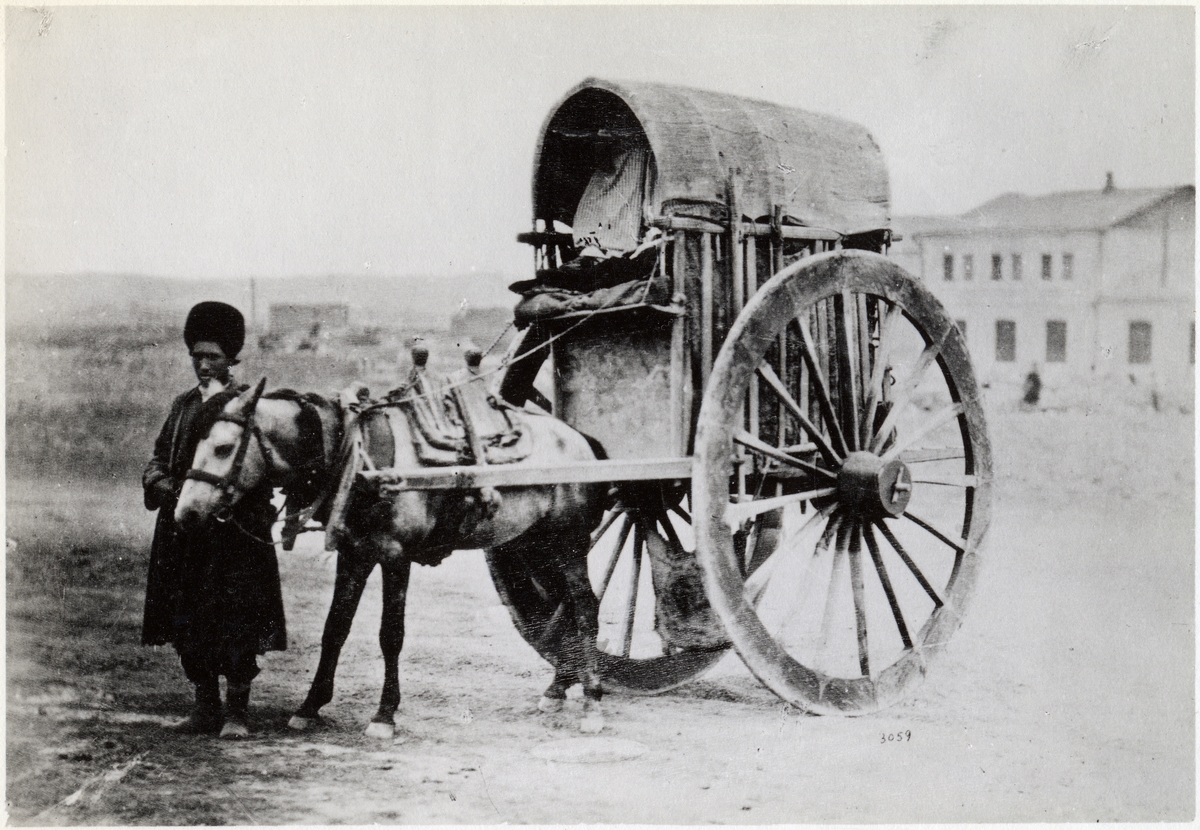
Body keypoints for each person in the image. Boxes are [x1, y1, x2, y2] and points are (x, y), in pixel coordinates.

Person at [142, 301, 287, 739]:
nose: (204, 365)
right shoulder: (183, 405)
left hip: (232, 535)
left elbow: (260, 469)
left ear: (231, 359)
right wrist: (163, 485)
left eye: (214, 357)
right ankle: (205, 707)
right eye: (197, 356)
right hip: (184, 529)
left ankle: (237, 713)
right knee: (189, 619)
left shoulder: (246, 407)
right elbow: (158, 458)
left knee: (236, 619)